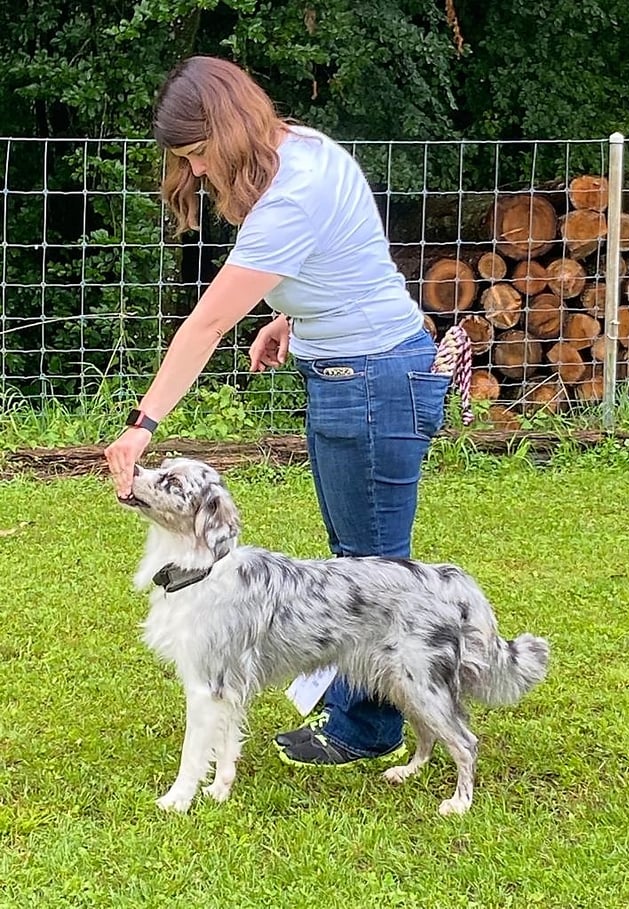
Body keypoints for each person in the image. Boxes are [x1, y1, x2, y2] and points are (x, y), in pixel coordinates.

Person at [105, 55, 453, 768]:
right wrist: (292, 320)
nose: (197, 173)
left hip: (372, 382)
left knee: (371, 566)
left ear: (226, 129)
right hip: (354, 370)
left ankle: (368, 727)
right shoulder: (308, 149)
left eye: (198, 156)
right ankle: (369, 705)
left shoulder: (290, 194)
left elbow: (204, 326)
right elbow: (344, 259)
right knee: (355, 556)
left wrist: (142, 424)